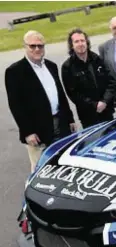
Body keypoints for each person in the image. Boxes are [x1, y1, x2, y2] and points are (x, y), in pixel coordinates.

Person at [5, 30, 77, 173]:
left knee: (64, 162)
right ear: (25, 47)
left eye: (40, 45)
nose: (37, 49)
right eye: (32, 46)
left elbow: (60, 95)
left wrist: (70, 119)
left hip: (60, 123)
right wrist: (27, 132)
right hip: (37, 130)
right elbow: (16, 105)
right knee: (41, 168)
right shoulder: (15, 72)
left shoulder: (51, 66)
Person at [62, 28, 116, 129]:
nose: (80, 44)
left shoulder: (97, 59)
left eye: (82, 40)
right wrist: (95, 105)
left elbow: (111, 82)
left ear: (87, 42)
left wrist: (104, 101)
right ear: (72, 45)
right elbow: (74, 94)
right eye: (76, 41)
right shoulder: (67, 67)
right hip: (87, 116)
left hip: (106, 110)